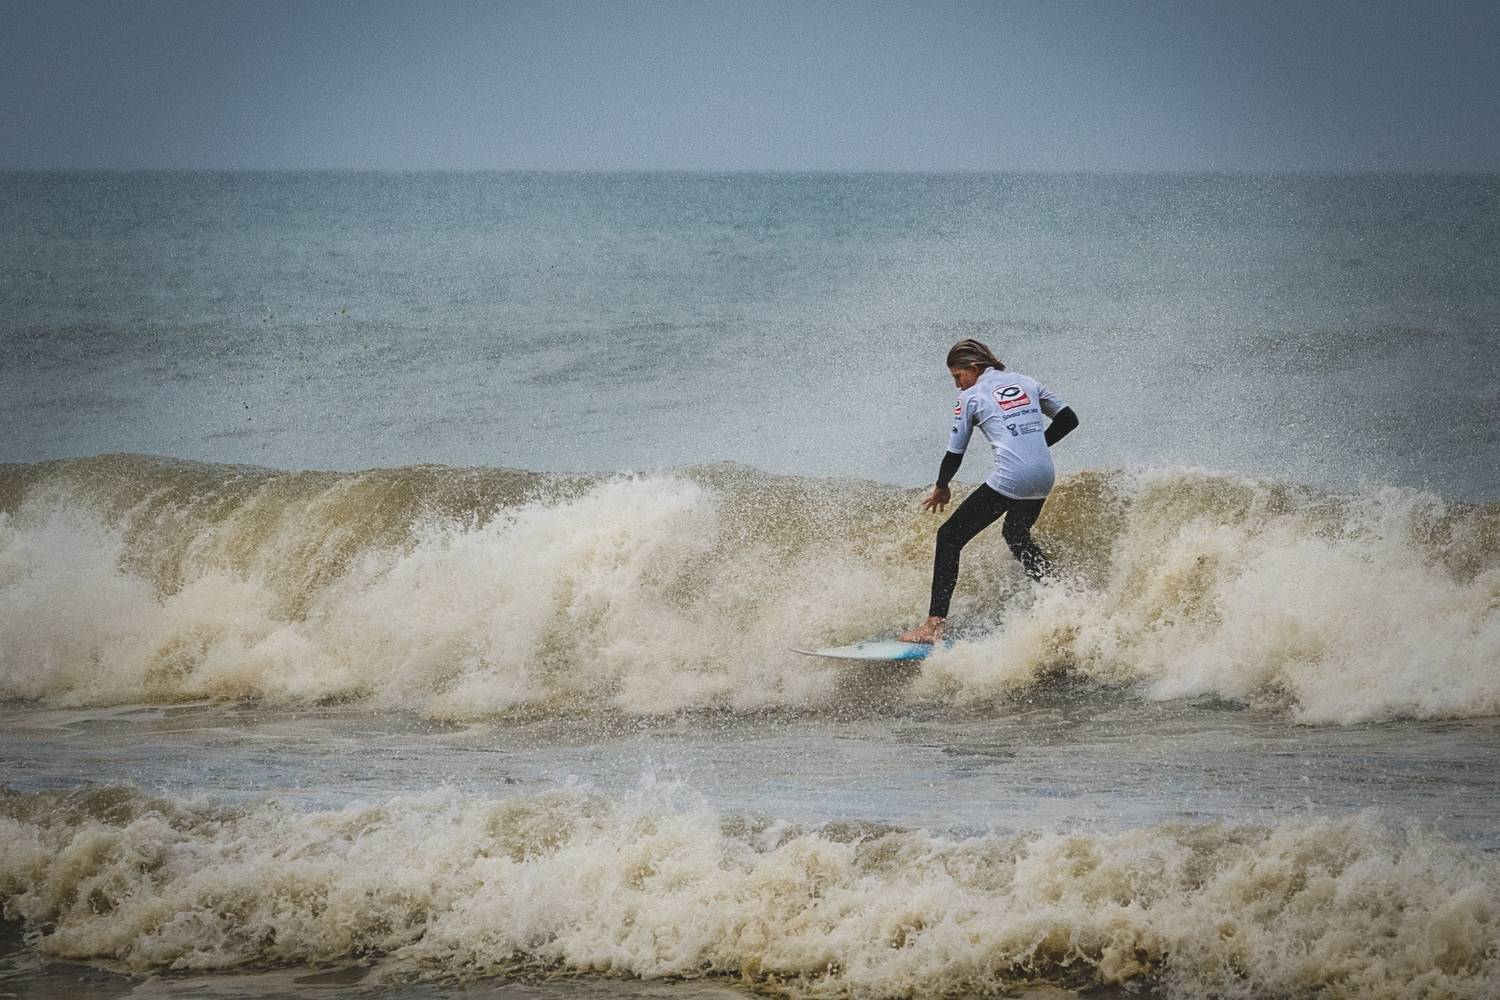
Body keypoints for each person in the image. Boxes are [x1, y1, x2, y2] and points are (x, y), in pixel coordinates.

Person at [898, 339, 1078, 644]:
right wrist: (1036, 447)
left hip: (1013, 478)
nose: (957, 385)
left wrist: (942, 487)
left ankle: (933, 626)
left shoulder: (971, 397)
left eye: (958, 376)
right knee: (1016, 534)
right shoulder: (1026, 381)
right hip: (1044, 475)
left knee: (949, 536)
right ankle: (1061, 599)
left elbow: (955, 452)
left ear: (974, 368)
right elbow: (1068, 419)